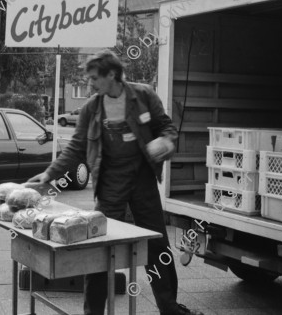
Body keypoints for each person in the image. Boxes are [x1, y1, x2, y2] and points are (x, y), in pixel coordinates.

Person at [26, 51, 203, 315]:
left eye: (95, 78)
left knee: (156, 246)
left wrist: (166, 142)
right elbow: (76, 146)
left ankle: (169, 307)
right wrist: (50, 174)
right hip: (109, 184)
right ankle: (93, 312)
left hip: (142, 181)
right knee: (99, 249)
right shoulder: (92, 107)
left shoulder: (143, 96)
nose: (91, 84)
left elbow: (166, 126)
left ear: (112, 75)